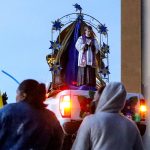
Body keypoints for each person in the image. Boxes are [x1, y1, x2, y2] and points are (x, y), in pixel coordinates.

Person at [72, 82, 144, 150]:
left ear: (104, 97)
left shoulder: (90, 121)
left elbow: (79, 148)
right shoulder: (131, 125)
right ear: (122, 101)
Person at [0, 79, 64, 150]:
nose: (16, 97)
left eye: (17, 93)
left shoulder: (8, 110)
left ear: (24, 95)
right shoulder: (50, 117)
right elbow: (58, 141)